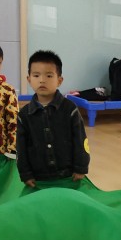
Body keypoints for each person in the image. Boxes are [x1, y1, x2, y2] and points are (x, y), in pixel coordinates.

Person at [16, 50, 90, 187]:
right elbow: (21, 148)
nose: (42, 80)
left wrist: (81, 167)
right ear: (29, 79)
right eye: (36, 75)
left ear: (59, 81)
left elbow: (80, 140)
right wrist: (25, 173)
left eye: (49, 75)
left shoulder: (70, 109)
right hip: (38, 178)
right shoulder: (24, 115)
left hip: (68, 175)